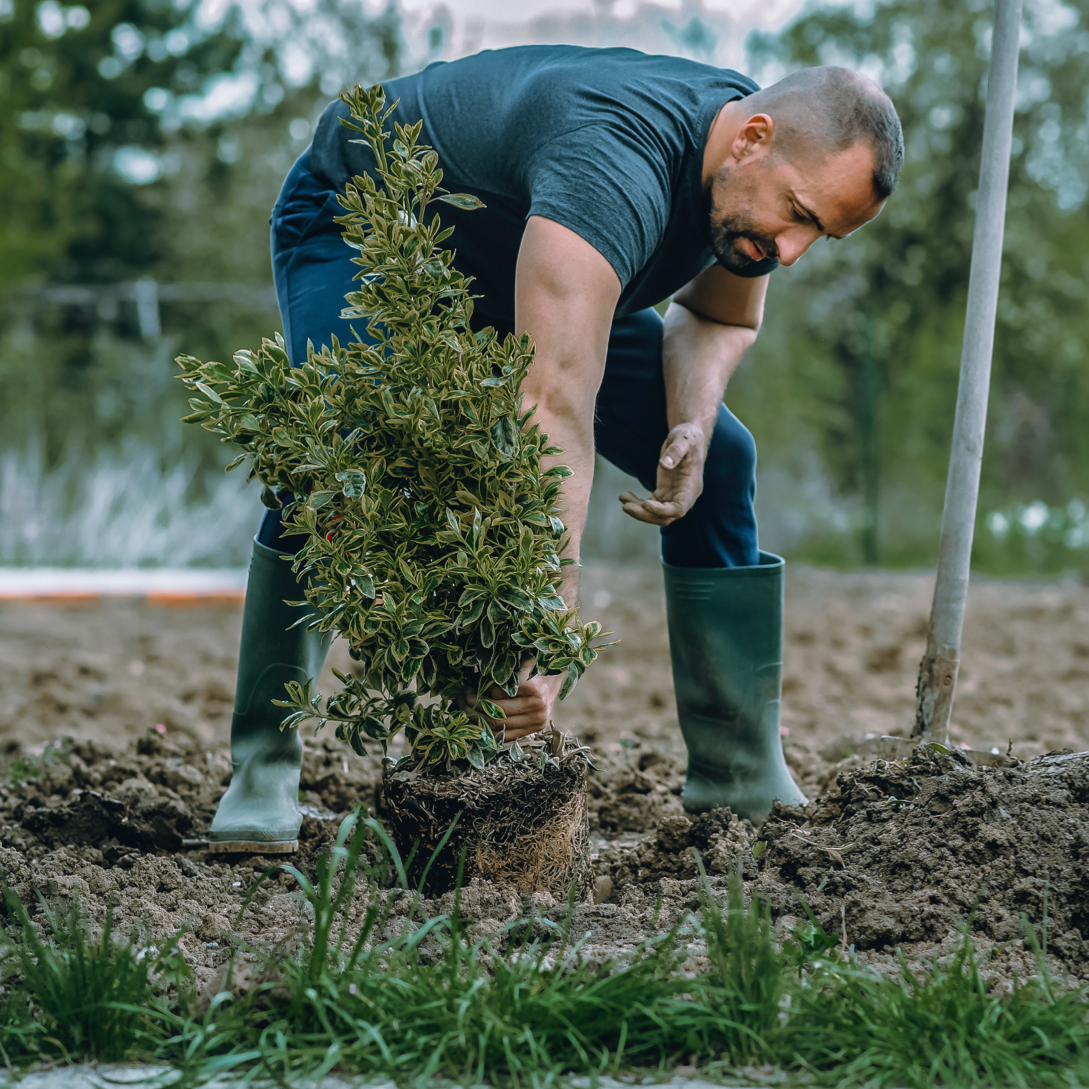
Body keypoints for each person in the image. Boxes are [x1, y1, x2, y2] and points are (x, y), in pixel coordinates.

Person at [208, 45, 903, 853]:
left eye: (820, 234)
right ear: (751, 138)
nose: (790, 252)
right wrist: (544, 619)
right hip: (366, 223)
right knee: (343, 448)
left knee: (724, 462)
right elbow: (550, 409)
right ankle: (261, 767)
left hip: (520, 265)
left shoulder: (743, 190)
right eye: (800, 214)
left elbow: (719, 320)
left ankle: (737, 774)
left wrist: (689, 421)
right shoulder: (614, 161)